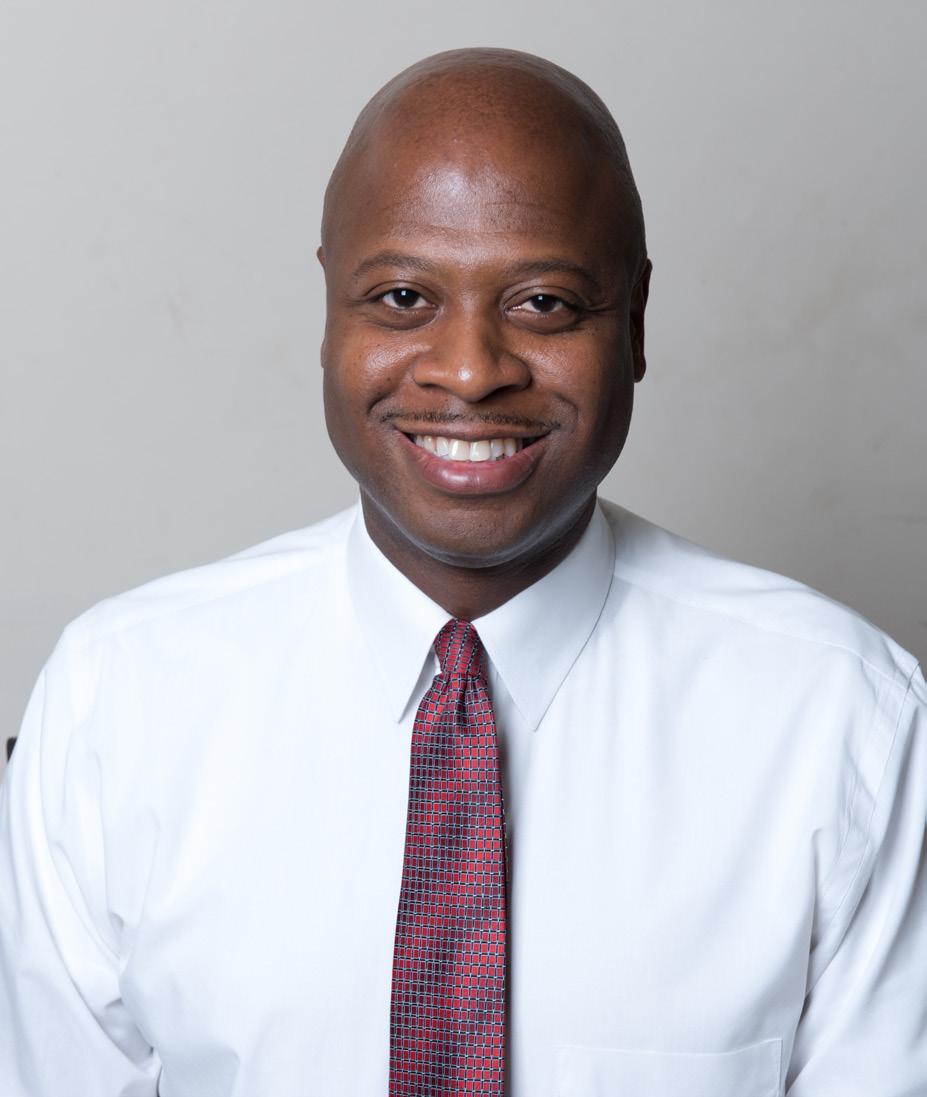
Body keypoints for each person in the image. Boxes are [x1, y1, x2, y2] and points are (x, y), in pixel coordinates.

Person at [1, 46, 924, 1097]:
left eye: (544, 303)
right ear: (328, 310)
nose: (472, 370)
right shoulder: (119, 706)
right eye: (402, 296)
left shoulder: (842, 725)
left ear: (634, 320)